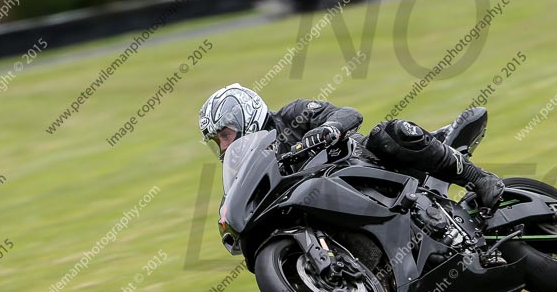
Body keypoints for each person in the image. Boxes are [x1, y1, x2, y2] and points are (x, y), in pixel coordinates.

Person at [198, 83, 504, 211]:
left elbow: (348, 114)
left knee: (388, 132)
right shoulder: (248, 171)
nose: (223, 146)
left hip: (371, 165)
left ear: (245, 115)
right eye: (217, 141)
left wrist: (327, 130)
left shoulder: (292, 115)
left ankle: (479, 179)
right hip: (337, 205)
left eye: (224, 134)